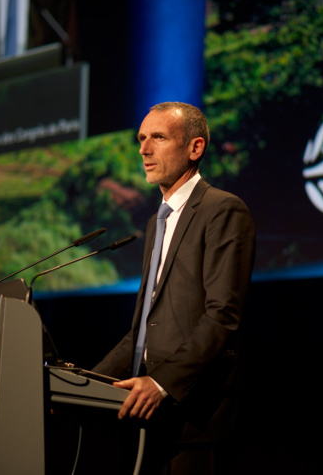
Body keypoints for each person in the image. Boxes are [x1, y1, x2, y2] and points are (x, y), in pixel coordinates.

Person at [92, 102, 255, 474]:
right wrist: (86, 382)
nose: (143, 150)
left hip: (196, 417)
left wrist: (162, 382)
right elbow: (143, 331)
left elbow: (222, 316)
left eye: (158, 138)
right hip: (149, 423)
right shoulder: (156, 223)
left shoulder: (223, 210)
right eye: (141, 139)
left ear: (195, 148)